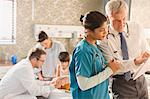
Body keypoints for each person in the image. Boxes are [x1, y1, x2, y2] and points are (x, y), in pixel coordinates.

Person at [100, 0, 150, 98]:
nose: (122, 23)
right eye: (117, 20)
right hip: (120, 83)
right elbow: (113, 67)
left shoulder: (137, 27)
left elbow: (145, 51)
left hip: (141, 80)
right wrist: (135, 62)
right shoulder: (103, 38)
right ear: (108, 18)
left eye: (124, 18)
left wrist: (146, 57)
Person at [69, 11, 120, 99]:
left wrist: (109, 68)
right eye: (101, 30)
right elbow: (83, 84)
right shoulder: (83, 51)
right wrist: (109, 71)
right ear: (88, 31)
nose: (105, 33)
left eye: (106, 29)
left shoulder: (96, 47)